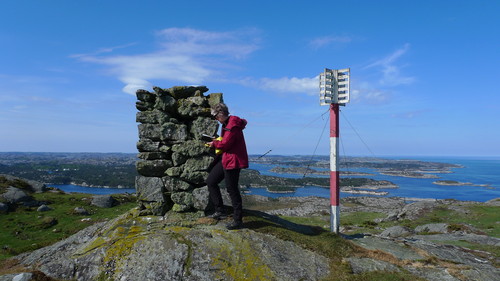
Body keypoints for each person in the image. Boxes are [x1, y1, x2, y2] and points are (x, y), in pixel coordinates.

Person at [205, 103, 248, 230]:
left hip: (233, 160)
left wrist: (214, 143)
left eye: (215, 116)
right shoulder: (227, 124)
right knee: (211, 181)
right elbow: (226, 141)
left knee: (232, 189)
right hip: (226, 158)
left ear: (221, 113)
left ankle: (237, 220)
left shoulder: (232, 125)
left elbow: (225, 144)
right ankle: (220, 211)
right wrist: (217, 140)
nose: (215, 119)